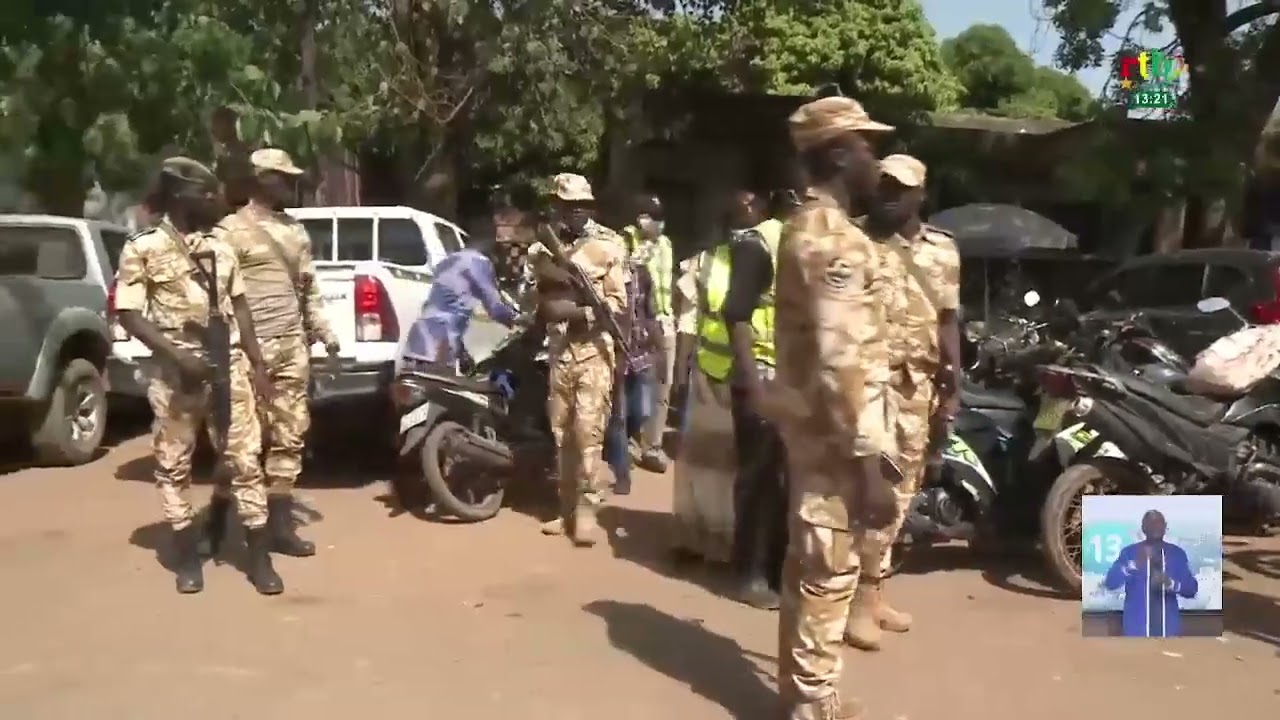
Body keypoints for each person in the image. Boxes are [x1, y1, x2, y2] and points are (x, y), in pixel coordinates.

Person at [770, 96, 899, 720]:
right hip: (834, 444)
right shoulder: (835, 242)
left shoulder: (809, 229)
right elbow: (840, 361)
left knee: (808, 569)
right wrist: (868, 465)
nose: (877, 160)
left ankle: (803, 696)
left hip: (814, 435)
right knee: (828, 578)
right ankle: (813, 708)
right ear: (842, 153)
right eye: (870, 147)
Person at [114, 156, 282, 595]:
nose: (215, 200)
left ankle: (258, 558)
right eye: (205, 194)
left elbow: (240, 308)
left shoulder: (221, 247)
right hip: (177, 377)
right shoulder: (144, 247)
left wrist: (258, 366)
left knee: (244, 460)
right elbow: (129, 313)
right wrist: (176, 356)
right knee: (173, 467)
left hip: (229, 370)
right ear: (178, 197)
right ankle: (189, 557)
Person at [843, 154, 962, 651]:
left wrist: (953, 384)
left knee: (903, 490)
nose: (890, 194)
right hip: (865, 387)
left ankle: (874, 591)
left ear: (921, 195)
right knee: (864, 491)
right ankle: (850, 603)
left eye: (902, 188)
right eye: (885, 185)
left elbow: (948, 317)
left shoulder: (943, 251)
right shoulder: (852, 241)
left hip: (918, 388)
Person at [215, 148, 341, 559]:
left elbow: (308, 289)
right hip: (244, 351)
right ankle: (219, 521)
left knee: (289, 436)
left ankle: (281, 527)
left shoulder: (296, 232)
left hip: (291, 348)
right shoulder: (227, 232)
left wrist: (324, 332)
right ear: (259, 180)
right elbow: (218, 297)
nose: (290, 185)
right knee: (242, 444)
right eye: (282, 178)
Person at [530, 173, 628, 546]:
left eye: (579, 206)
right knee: (561, 433)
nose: (572, 212)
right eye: (565, 206)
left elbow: (618, 303)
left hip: (594, 350)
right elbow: (537, 294)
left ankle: (586, 512)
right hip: (558, 352)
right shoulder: (542, 249)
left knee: (588, 432)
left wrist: (579, 314)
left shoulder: (609, 245)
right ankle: (565, 508)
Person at [715, 189, 787, 609]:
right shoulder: (758, 243)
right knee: (760, 478)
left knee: (785, 481)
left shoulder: (804, 241)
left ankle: (777, 569)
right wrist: (754, 384)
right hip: (762, 374)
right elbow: (735, 310)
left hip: (794, 380)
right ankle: (751, 574)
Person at [667, 242, 737, 564]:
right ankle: (694, 537)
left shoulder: (784, 250)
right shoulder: (706, 260)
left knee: (734, 464)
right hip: (710, 375)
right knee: (699, 460)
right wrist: (681, 370)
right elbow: (689, 319)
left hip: (756, 377)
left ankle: (729, 540)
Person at [400, 228, 525, 372]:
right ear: (495, 252)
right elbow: (496, 309)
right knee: (440, 392)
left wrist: (462, 351)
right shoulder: (479, 263)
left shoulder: (449, 261)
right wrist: (523, 320)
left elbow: (448, 307)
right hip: (439, 348)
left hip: (417, 341)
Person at [621, 195, 677, 472]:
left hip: (665, 323)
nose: (656, 222)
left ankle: (652, 446)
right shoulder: (628, 241)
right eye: (649, 216)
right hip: (639, 326)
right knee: (636, 385)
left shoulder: (666, 244)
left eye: (658, 216)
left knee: (662, 387)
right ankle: (630, 441)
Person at [603, 252, 660, 496]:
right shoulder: (603, 277)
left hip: (640, 353)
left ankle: (619, 448)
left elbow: (650, 310)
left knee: (642, 411)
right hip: (614, 355)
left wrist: (655, 339)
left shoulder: (643, 274)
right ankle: (621, 472)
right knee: (618, 416)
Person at [1103, 510, 1199, 637]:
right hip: (1136, 631)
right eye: (1151, 523)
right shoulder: (1129, 552)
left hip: (1169, 631)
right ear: (1143, 528)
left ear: (1165, 527)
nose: (1155, 527)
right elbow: (1110, 583)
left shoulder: (1177, 554)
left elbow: (1192, 589)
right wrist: (1135, 564)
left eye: (1159, 523)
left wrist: (1172, 584)